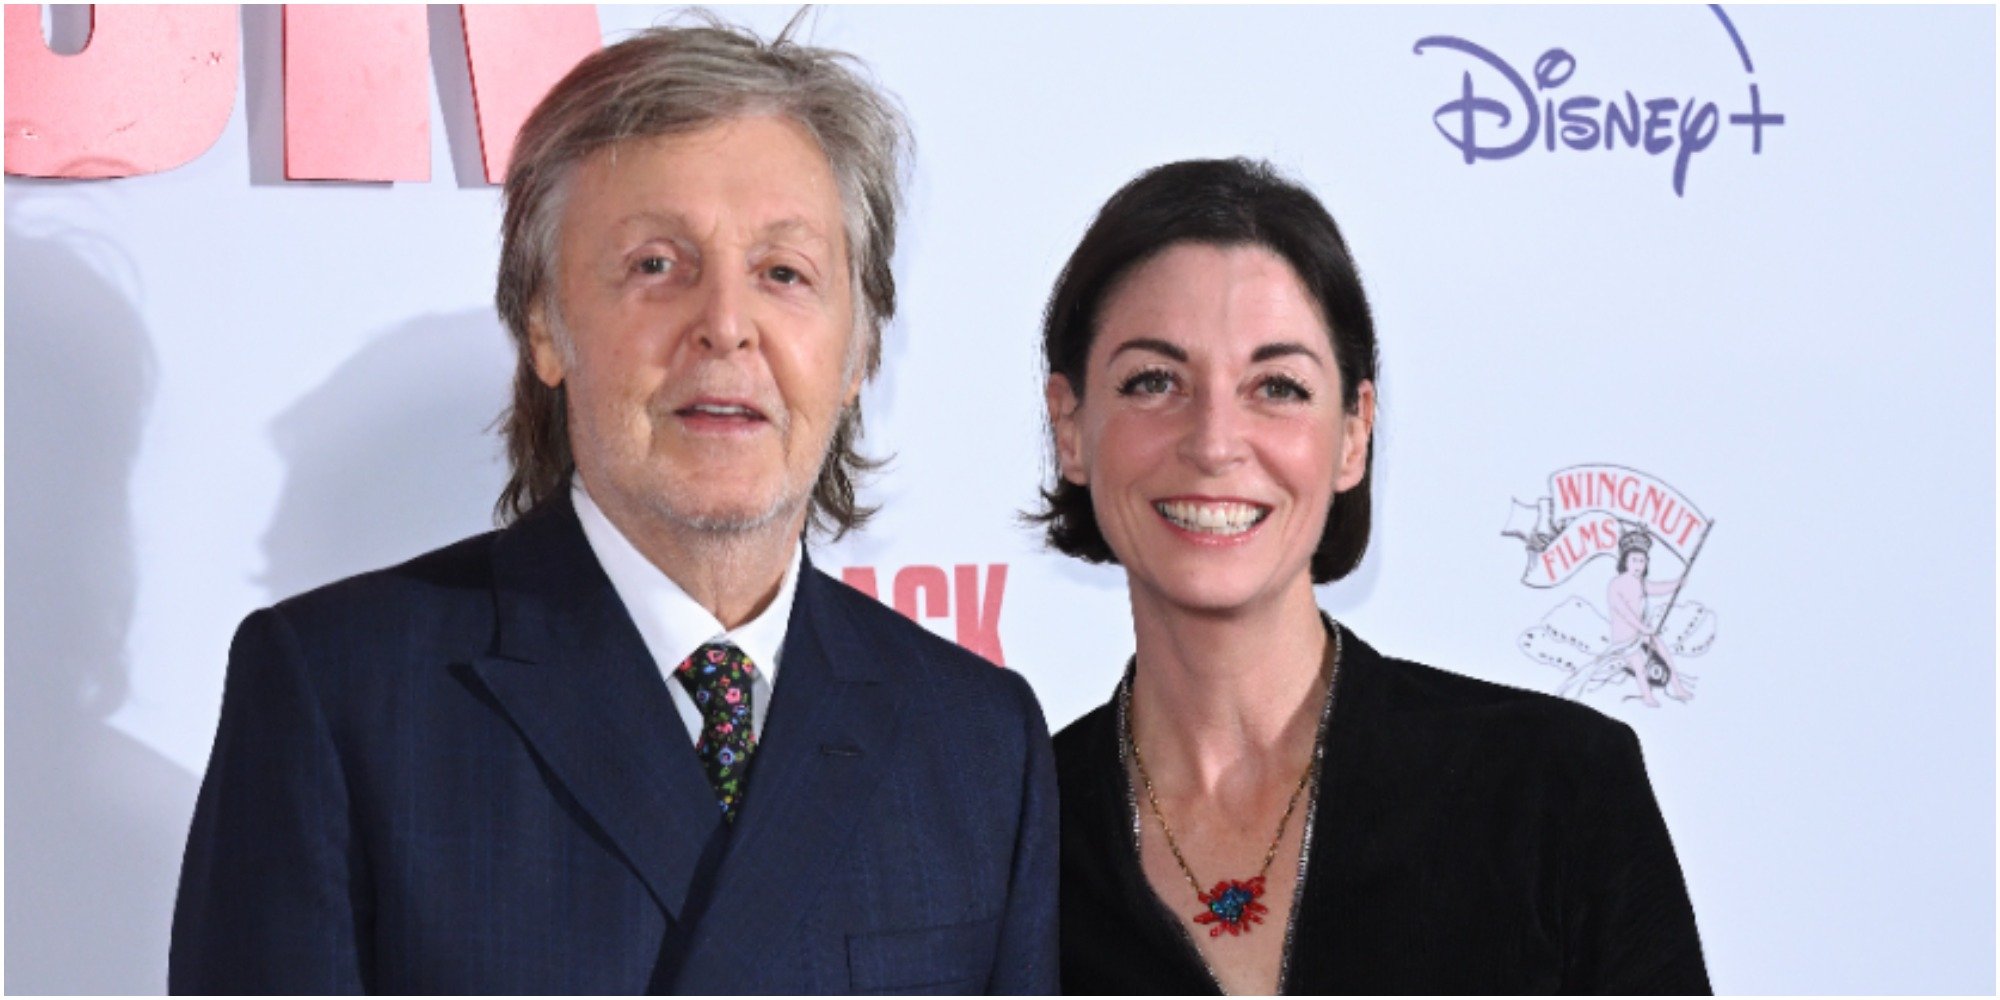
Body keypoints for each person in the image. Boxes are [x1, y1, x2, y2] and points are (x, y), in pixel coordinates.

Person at [170, 20, 1056, 994]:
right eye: (654, 266)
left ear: (859, 352)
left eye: (783, 273)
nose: (725, 325)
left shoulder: (978, 741)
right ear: (544, 323)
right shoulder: (341, 694)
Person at [1037, 158, 1708, 993]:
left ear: (1354, 433)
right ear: (1070, 426)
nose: (1213, 441)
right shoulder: (1012, 843)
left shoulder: (1555, 793)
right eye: (1154, 381)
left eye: (1276, 386)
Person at [1607, 527, 1696, 706]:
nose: (1638, 565)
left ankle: (1677, 686)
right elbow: (1626, 614)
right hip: (1624, 639)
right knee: (1639, 665)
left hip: (1641, 633)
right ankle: (1647, 696)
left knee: (1661, 648)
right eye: (1634, 560)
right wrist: (1643, 628)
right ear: (1625, 561)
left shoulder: (1640, 583)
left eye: (1642, 561)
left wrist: (1677, 584)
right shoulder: (1615, 585)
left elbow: (1657, 588)